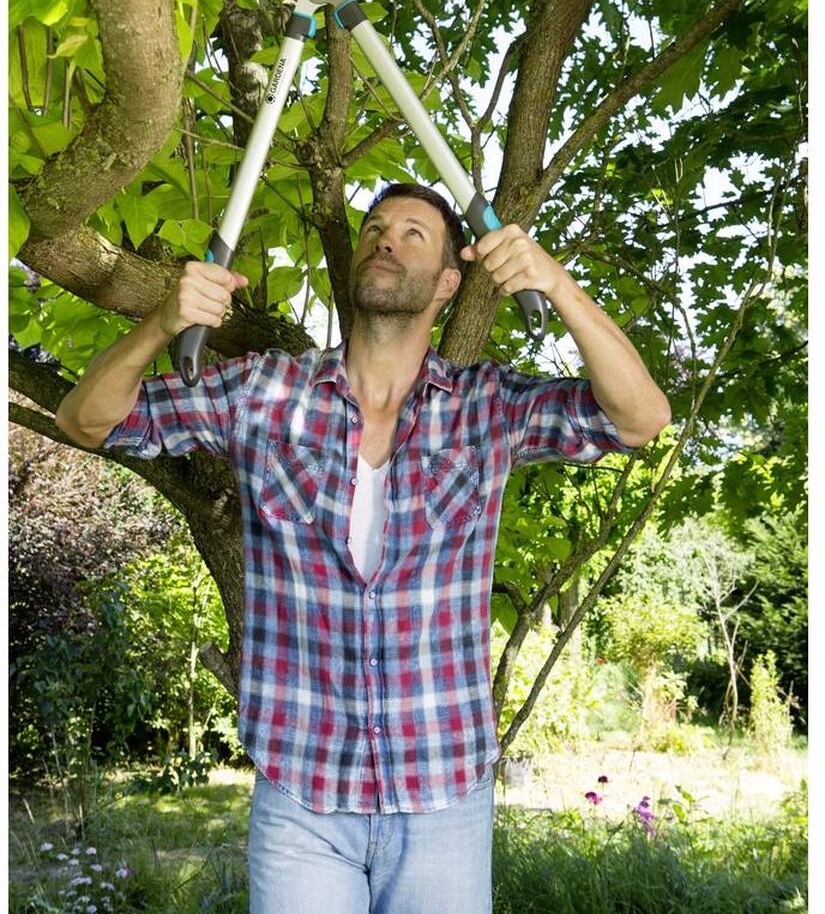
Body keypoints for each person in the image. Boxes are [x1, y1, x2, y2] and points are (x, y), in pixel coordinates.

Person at [56, 181, 670, 914]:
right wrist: (163, 321)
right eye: (377, 226)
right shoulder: (263, 392)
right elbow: (86, 421)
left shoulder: (487, 407)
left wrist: (557, 284)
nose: (386, 239)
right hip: (301, 794)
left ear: (448, 283)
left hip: (443, 795)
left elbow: (639, 418)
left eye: (414, 233)